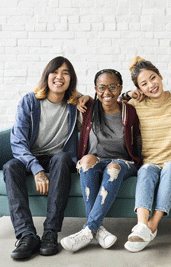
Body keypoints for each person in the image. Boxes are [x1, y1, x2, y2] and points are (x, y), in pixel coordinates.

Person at [119, 56, 171, 253]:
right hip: (152, 161)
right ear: (139, 89)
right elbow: (112, 103)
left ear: (161, 76)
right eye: (144, 84)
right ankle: (142, 225)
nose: (151, 85)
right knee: (146, 169)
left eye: (153, 78)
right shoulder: (137, 104)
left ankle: (153, 226)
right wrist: (127, 94)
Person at [3, 56, 79, 259]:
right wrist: (36, 168)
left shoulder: (75, 105)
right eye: (55, 72)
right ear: (47, 76)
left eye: (66, 73)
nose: (59, 77)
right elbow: (17, 142)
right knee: (10, 167)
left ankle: (50, 232)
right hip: (31, 158)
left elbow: (107, 99)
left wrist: (129, 94)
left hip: (58, 160)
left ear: (71, 79)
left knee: (63, 158)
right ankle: (27, 234)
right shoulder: (30, 101)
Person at [60, 69, 142, 252]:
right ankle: (97, 231)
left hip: (123, 163)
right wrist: (84, 96)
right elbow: (65, 90)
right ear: (96, 89)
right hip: (96, 160)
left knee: (113, 166)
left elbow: (136, 142)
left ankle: (87, 230)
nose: (107, 92)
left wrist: (127, 94)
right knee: (86, 160)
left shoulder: (129, 110)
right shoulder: (88, 108)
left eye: (112, 87)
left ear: (120, 88)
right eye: (102, 87)